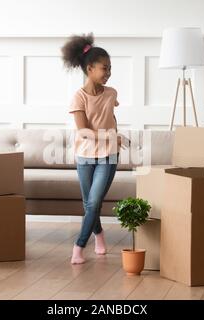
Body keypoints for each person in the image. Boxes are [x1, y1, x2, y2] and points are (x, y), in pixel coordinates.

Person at [61, 33, 130, 264]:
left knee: (93, 202)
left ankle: (78, 247)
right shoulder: (78, 98)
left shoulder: (111, 93)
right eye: (104, 68)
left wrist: (116, 135)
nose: (108, 73)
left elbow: (110, 113)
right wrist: (111, 135)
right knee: (90, 203)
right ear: (90, 68)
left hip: (108, 156)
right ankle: (99, 234)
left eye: (110, 68)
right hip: (84, 156)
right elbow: (83, 132)